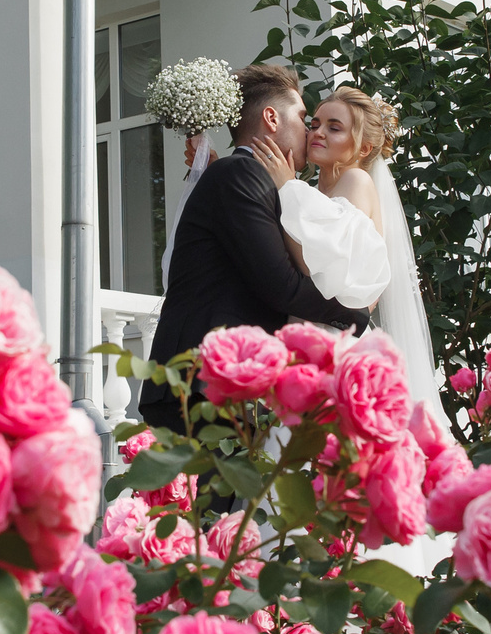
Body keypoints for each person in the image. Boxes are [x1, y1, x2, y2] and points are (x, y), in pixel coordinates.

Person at [139, 64, 366, 430]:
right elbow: (281, 285)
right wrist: (355, 313)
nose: (310, 132)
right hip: (201, 387)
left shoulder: (250, 179)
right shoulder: (239, 174)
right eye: (303, 118)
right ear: (272, 119)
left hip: (227, 386)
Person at [276, 86, 442, 410]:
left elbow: (316, 270)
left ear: (363, 148)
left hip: (334, 346)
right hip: (304, 338)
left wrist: (286, 187)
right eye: (314, 124)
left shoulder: (356, 181)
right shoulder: (309, 192)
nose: (317, 133)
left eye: (334, 128)